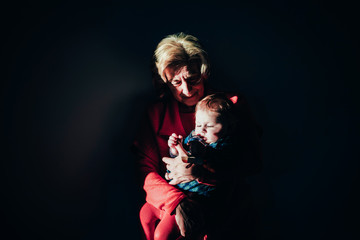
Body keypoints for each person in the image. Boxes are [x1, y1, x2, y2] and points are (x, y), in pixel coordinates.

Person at [132, 32, 262, 240]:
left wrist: (202, 172)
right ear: (165, 82)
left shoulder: (232, 105)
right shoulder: (155, 115)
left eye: (192, 78)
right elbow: (144, 172)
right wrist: (177, 203)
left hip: (228, 214)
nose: (187, 90)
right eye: (176, 83)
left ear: (204, 73)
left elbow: (254, 161)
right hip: (172, 207)